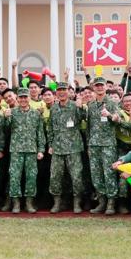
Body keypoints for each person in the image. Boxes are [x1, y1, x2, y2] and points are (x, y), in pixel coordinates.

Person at [4, 89, 46, 213]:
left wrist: (41, 150)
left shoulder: (36, 114)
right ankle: (16, 203)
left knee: (31, 177)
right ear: (17, 98)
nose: (23, 100)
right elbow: (6, 129)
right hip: (16, 150)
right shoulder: (12, 112)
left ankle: (29, 202)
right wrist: (6, 118)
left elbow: (40, 134)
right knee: (14, 177)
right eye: (21, 97)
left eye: (25, 97)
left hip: (31, 150)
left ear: (29, 98)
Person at [84, 76, 120, 215]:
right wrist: (88, 145)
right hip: (93, 145)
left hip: (108, 144)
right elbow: (89, 127)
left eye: (101, 85)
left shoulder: (111, 102)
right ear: (94, 87)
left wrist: (110, 115)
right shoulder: (91, 105)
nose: (99, 87)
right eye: (97, 85)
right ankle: (102, 201)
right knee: (96, 174)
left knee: (109, 173)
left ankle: (111, 203)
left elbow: (117, 119)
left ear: (106, 87)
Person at [48, 83, 85, 214]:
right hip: (57, 148)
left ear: (69, 92)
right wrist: (50, 144)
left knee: (76, 176)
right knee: (55, 177)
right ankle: (57, 203)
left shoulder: (75, 106)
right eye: (59, 90)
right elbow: (50, 128)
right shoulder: (53, 108)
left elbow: (82, 119)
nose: (61, 92)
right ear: (56, 93)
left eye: (64, 90)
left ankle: (77, 203)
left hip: (73, 147)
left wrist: (81, 108)